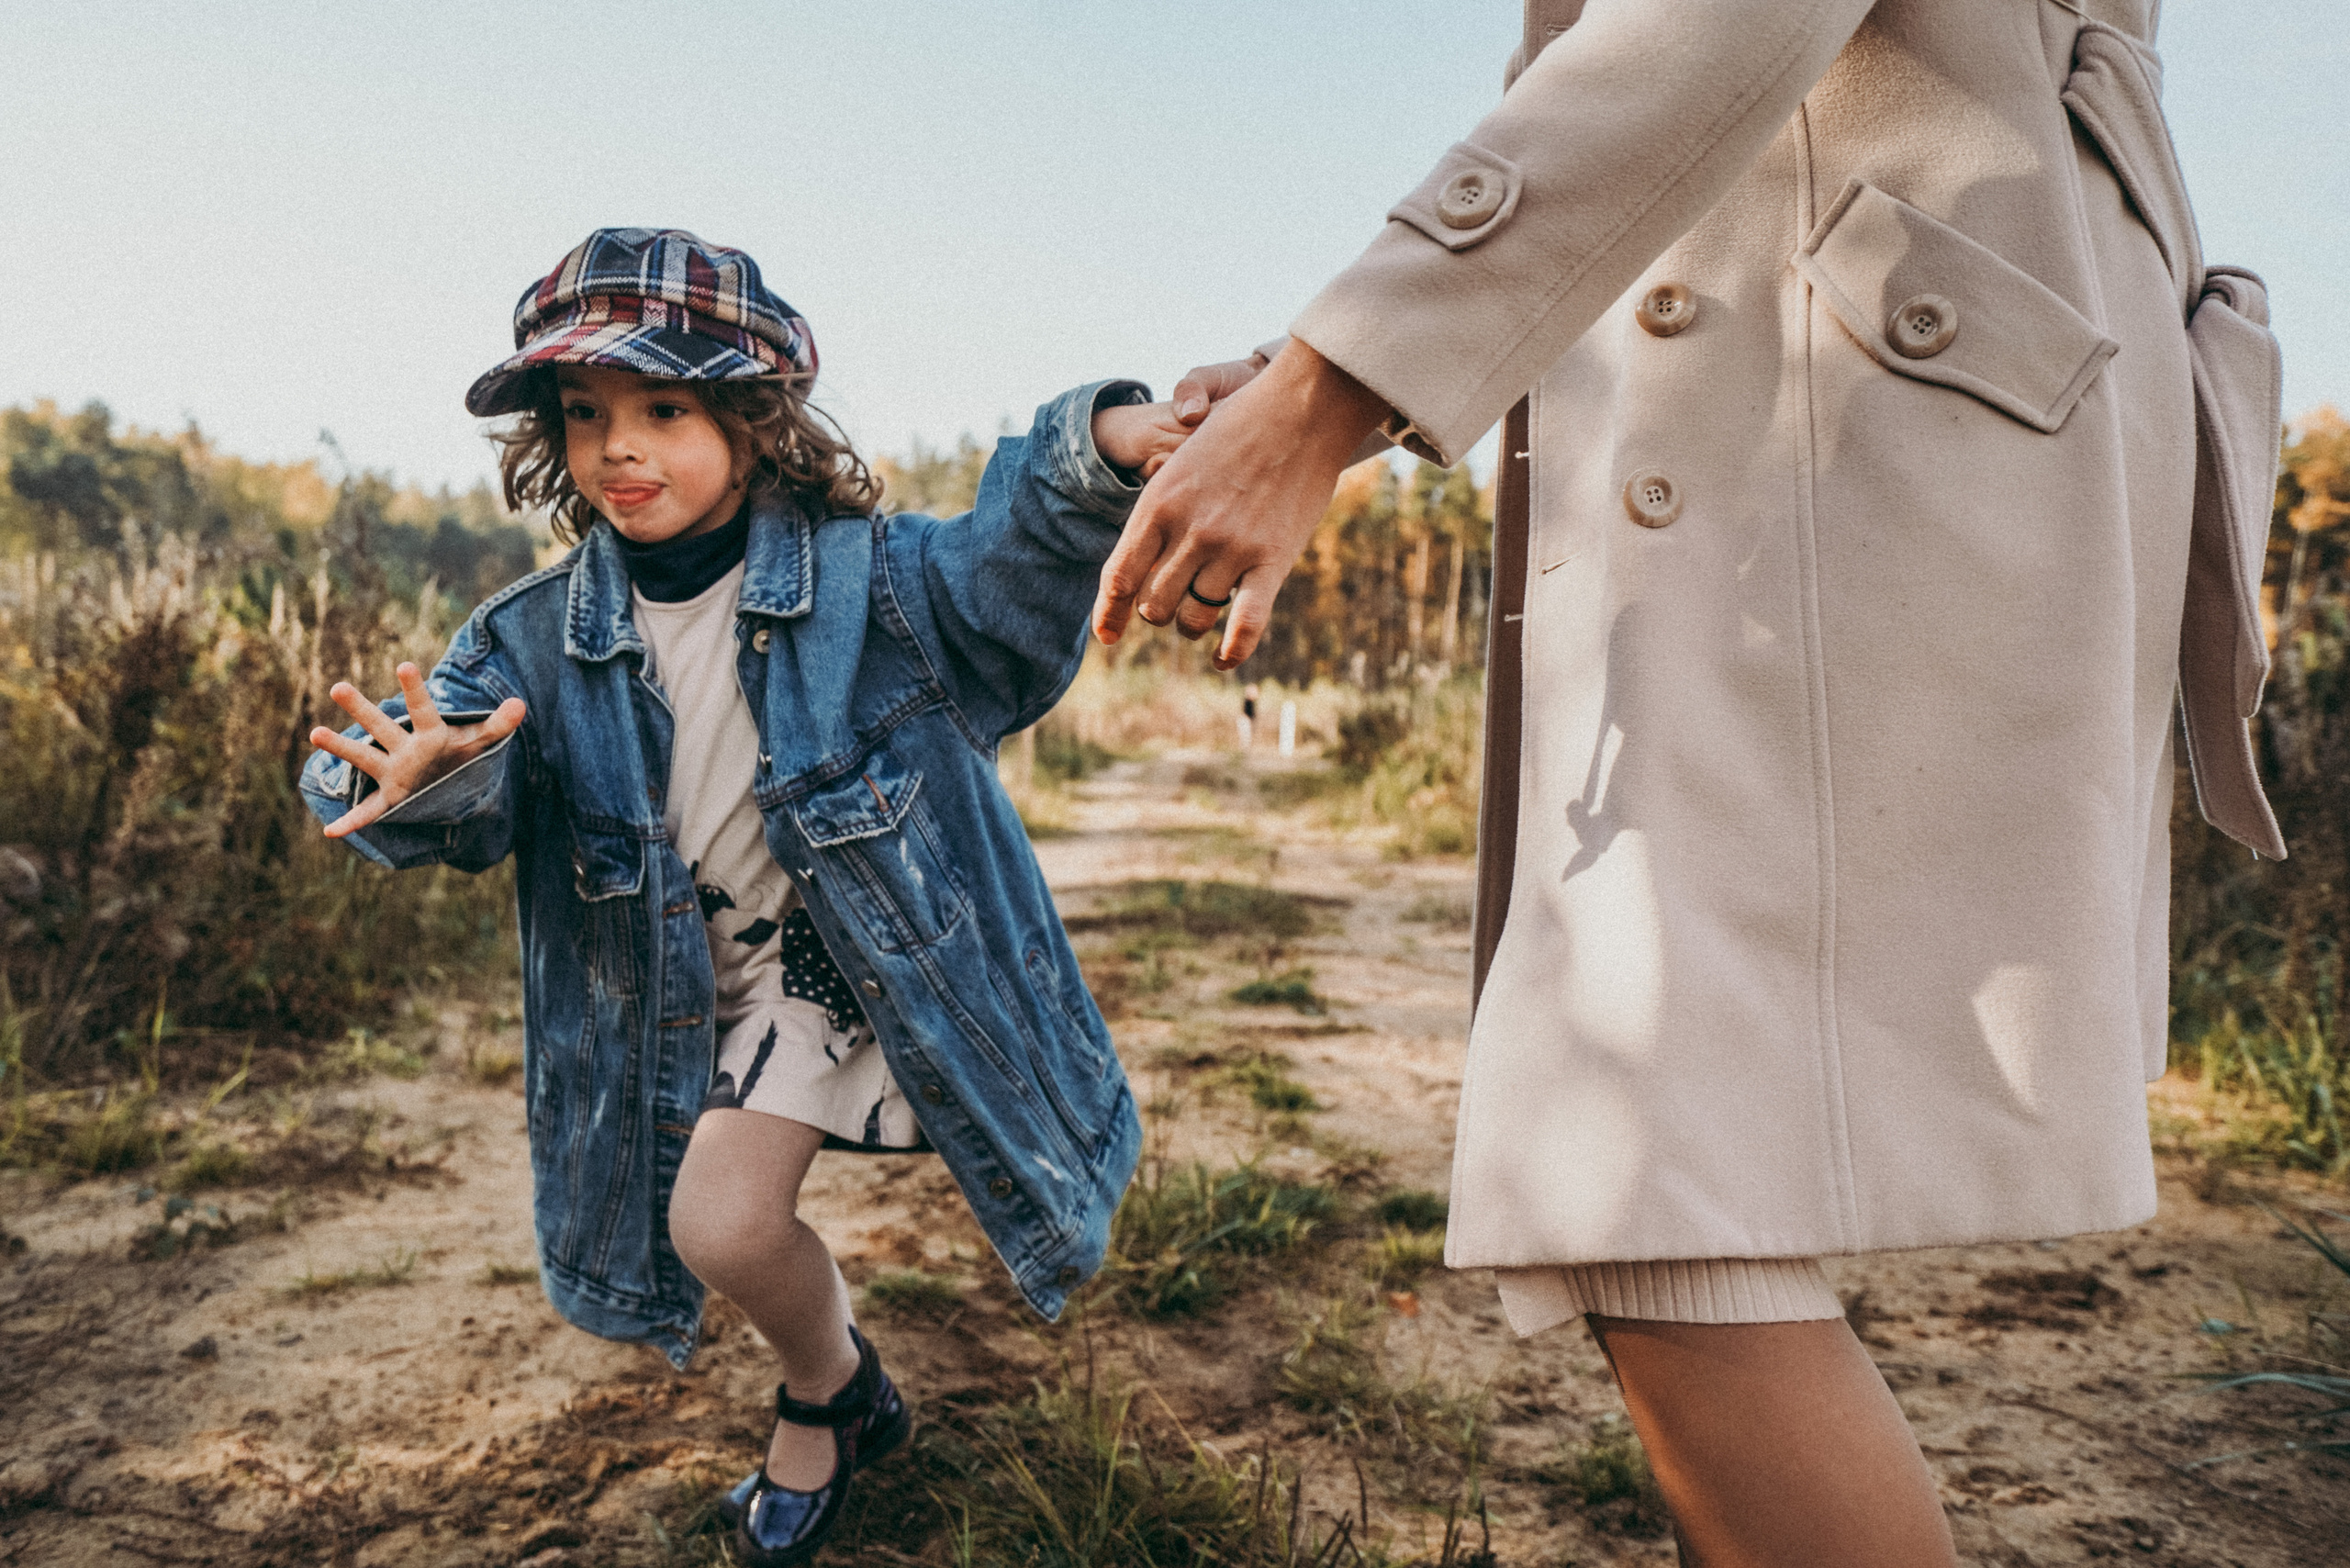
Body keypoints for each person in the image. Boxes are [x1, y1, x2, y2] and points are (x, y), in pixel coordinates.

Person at [1113, 3, 2284, 1564]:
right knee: (1661, 1194)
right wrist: (1325, 376)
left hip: (1869, 447)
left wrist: (1334, 387)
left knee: (1642, 1204)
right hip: (1876, 424)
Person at [300, 228, 1208, 1567]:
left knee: (718, 1220)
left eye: (664, 407)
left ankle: (830, 1393)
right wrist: (424, 778)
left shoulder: (876, 585)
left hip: (839, 954)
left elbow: (1007, 572)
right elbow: (442, 777)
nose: (621, 446)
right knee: (712, 1212)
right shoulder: (527, 641)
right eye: (587, 412)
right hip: (672, 990)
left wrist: (1106, 447)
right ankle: (849, 1393)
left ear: (755, 416)